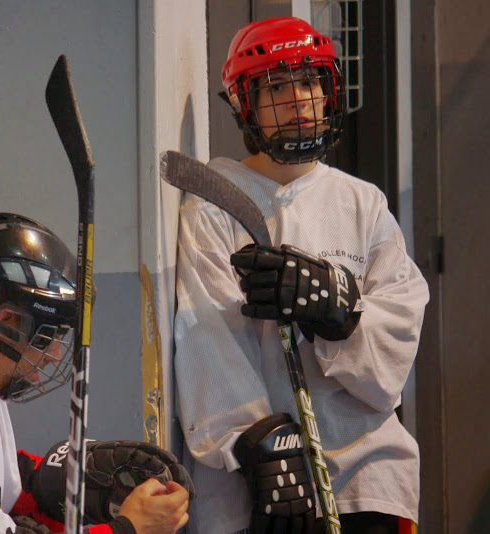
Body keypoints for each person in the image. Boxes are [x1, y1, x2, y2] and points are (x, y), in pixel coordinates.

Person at [174, 17, 429, 534]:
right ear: (245, 104)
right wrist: (260, 444)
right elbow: (207, 341)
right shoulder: (214, 204)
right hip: (262, 482)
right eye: (275, 86)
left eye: (309, 80)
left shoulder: (362, 203)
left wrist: (340, 314)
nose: (298, 98)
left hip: (367, 479)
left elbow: (398, 341)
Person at [0, 213, 193, 534]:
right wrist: (127, 529)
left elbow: (4, 487)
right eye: (48, 337)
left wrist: (50, 481)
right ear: (7, 322)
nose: (54, 354)